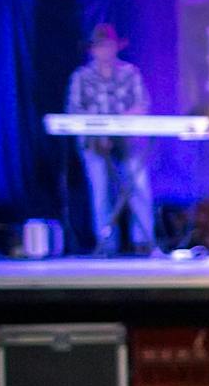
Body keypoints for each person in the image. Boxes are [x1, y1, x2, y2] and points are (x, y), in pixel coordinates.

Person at [65, 24, 154, 256]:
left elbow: (142, 104)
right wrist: (99, 129)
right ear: (92, 50)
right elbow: (74, 111)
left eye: (108, 46)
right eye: (99, 47)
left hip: (128, 140)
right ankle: (107, 243)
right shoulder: (81, 77)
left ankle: (142, 240)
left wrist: (119, 123)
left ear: (116, 47)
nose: (104, 51)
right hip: (94, 142)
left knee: (138, 183)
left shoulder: (130, 72)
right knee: (100, 189)